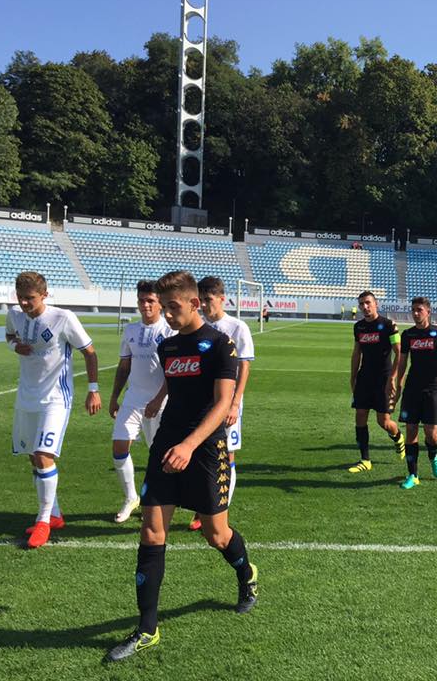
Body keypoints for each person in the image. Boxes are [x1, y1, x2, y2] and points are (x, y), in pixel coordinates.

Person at [105, 271, 257, 662]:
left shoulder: (221, 345)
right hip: (167, 445)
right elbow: (176, 381)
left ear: (195, 304)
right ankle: (147, 629)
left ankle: (246, 575)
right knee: (152, 531)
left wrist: (190, 444)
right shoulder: (168, 347)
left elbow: (222, 404)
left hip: (205, 449)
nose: (168, 315)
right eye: (164, 307)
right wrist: (158, 399)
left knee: (215, 534)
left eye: (174, 307)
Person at [5, 271, 101, 549]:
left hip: (56, 398)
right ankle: (55, 514)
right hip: (26, 397)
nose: (24, 304)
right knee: (33, 458)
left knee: (44, 455)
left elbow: (90, 351)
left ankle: (44, 521)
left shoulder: (63, 318)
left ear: (45, 295)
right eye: (21, 298)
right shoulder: (14, 314)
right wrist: (15, 347)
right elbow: (9, 335)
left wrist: (93, 388)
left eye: (30, 299)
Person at [187, 277, 255, 532]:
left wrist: (236, 402)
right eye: (201, 300)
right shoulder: (197, 327)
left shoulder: (237, 327)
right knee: (201, 451)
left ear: (222, 299)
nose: (205, 305)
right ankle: (201, 507)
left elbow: (244, 366)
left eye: (209, 300)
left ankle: (220, 508)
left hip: (227, 401)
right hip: (201, 401)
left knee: (227, 453)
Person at [108, 280, 175, 524]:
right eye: (141, 301)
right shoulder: (131, 331)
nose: (145, 305)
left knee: (159, 456)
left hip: (161, 403)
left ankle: (161, 500)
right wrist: (114, 398)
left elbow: (172, 371)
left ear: (160, 304)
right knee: (118, 447)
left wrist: (158, 399)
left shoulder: (169, 331)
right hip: (132, 400)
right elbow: (124, 366)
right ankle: (130, 497)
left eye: (150, 301)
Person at [393, 297, 437, 489]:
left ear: (428, 312)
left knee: (431, 433)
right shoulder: (408, 335)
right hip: (412, 388)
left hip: (432, 388)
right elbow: (402, 362)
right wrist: (398, 386)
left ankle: (433, 455)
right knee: (411, 430)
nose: (415, 313)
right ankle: (413, 474)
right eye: (413, 310)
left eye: (419, 309)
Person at [348, 290, 405, 473]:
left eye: (368, 303)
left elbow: (399, 352)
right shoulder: (359, 327)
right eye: (361, 304)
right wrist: (353, 376)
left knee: (384, 422)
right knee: (360, 417)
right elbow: (357, 352)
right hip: (364, 377)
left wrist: (393, 378)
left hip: (383, 379)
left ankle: (398, 438)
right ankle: (365, 460)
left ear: (376, 304)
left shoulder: (388, 325)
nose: (365, 307)